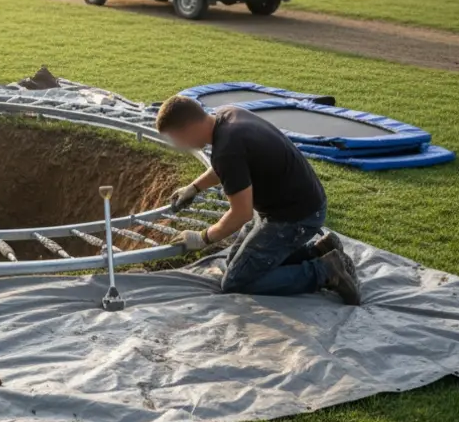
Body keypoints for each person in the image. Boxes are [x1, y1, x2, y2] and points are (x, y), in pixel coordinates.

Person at [154, 95, 361, 305]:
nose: (179, 145)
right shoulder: (227, 116)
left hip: (296, 217)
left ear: (187, 129)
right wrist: (194, 187)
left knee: (236, 281)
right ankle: (319, 250)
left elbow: (241, 214)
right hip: (290, 206)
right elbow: (229, 168)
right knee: (235, 262)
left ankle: (326, 271)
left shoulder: (227, 149)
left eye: (176, 139)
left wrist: (203, 237)